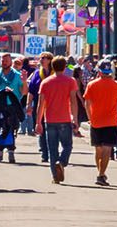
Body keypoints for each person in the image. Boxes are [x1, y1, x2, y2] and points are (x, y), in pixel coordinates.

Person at [38, 55, 81, 185]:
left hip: (50, 119)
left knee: (52, 149)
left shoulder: (45, 82)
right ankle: (61, 162)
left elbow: (41, 104)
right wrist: (75, 119)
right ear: (65, 67)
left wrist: (38, 122)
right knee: (67, 146)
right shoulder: (70, 81)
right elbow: (74, 102)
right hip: (65, 119)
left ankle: (55, 176)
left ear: (52, 66)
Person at [84, 60, 117, 188]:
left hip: (96, 121)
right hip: (111, 121)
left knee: (98, 149)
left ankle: (100, 173)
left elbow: (87, 103)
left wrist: (90, 117)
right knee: (107, 149)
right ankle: (101, 174)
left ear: (99, 70)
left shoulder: (92, 85)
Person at [0, 54, 24, 164]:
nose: (4, 62)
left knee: (11, 129)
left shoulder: (18, 76)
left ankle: (11, 153)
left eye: (6, 60)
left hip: (12, 107)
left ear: (11, 62)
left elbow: (24, 92)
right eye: (3, 60)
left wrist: (25, 81)